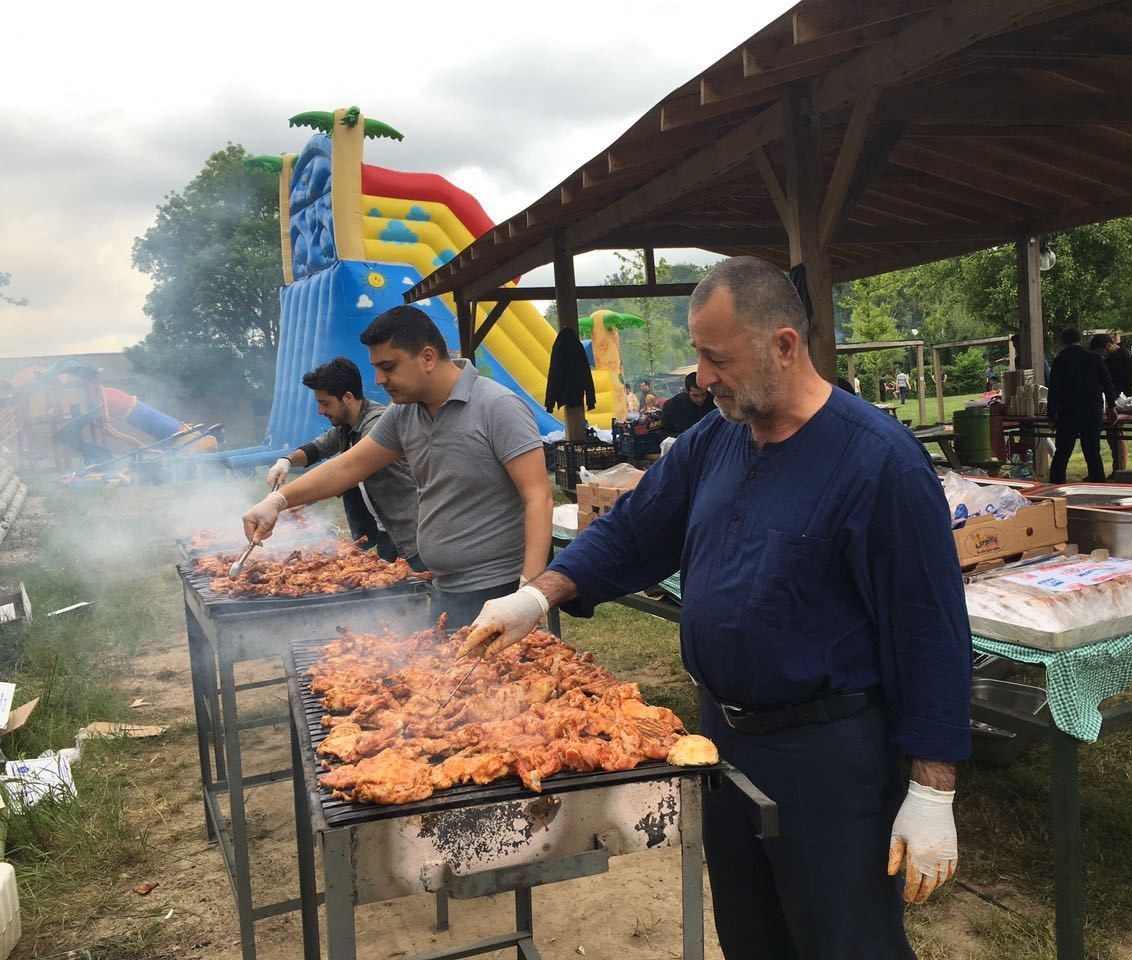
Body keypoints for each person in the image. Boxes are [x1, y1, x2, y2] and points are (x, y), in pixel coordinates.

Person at [460, 256, 971, 960]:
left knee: (845, 942)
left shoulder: (880, 462)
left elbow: (931, 630)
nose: (701, 378)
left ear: (784, 346)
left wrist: (933, 787)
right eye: (699, 355)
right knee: (751, 935)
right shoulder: (715, 439)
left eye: (715, 358)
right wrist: (536, 594)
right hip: (721, 743)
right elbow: (637, 530)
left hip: (829, 757)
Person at [242, 305, 552, 627]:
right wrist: (276, 501)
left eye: (388, 366)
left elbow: (538, 497)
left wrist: (528, 591)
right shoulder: (403, 413)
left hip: (500, 590)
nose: (379, 379)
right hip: (445, 588)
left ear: (428, 358)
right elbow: (347, 467)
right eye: (376, 367)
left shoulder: (498, 407)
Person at [265, 358, 421, 567]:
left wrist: (298, 497)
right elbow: (317, 448)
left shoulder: (376, 423)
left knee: (416, 592)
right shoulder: (347, 425)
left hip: (411, 535)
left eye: (325, 403)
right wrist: (285, 461)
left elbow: (349, 468)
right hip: (386, 532)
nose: (320, 410)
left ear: (347, 397)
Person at [1048, 328, 1117, 484]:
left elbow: (1054, 390)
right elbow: (1107, 384)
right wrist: (1111, 406)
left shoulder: (1059, 360)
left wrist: (1051, 415)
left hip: (1068, 412)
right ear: (1079, 339)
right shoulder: (1095, 358)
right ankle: (1099, 485)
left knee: (1062, 454)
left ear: (1063, 342)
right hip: (1092, 411)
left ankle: (1056, 486)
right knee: (1093, 453)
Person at [1091, 334, 1132, 476]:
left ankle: (1119, 469)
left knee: (1116, 434)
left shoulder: (1126, 358)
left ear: (1108, 346)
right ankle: (1116, 469)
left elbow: (1128, 385)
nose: (1100, 356)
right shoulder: (1108, 359)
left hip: (1121, 400)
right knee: (1111, 436)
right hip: (1108, 399)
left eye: (1100, 352)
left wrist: (1113, 399)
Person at [662, 372, 715, 436]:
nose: (700, 399)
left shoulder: (715, 402)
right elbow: (665, 432)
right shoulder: (672, 406)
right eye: (695, 395)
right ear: (686, 391)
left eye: (703, 394)